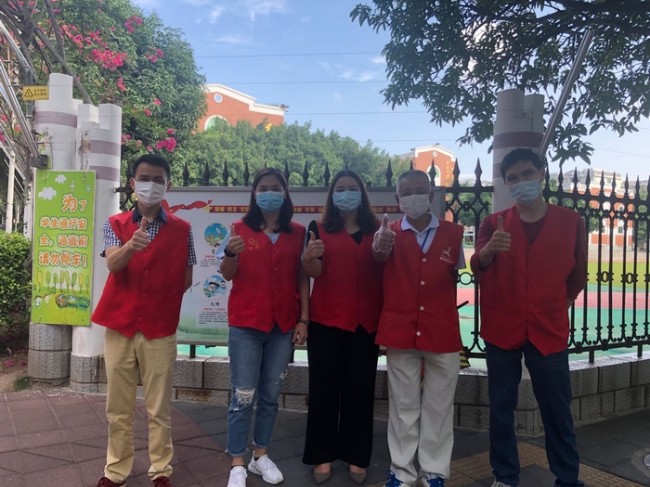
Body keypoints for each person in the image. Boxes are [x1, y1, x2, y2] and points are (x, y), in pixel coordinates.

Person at [470, 148, 587, 487]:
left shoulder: (571, 222)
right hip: (502, 329)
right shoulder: (493, 223)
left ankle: (568, 479)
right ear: (507, 184)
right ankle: (505, 476)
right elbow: (477, 266)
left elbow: (578, 274)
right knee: (500, 410)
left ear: (541, 174)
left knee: (557, 410)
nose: (521, 182)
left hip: (548, 331)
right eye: (513, 178)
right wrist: (489, 250)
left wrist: (558, 304)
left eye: (527, 174)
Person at [92, 154, 196, 487]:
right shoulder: (114, 224)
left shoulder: (183, 230)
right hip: (120, 324)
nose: (151, 185)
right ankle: (115, 470)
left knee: (158, 406)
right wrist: (131, 247)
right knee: (118, 406)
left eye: (158, 179)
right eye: (145, 178)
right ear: (133, 184)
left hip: (159, 328)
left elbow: (187, 276)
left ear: (168, 185)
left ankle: (161, 470)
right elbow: (112, 263)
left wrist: (159, 301)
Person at [372, 170, 465, 487]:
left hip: (442, 331)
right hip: (400, 331)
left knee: (440, 406)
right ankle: (401, 471)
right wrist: (380, 246)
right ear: (397, 198)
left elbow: (452, 278)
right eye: (406, 192)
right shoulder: (387, 234)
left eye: (419, 190)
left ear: (431, 195)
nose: (413, 196)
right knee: (403, 406)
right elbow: (378, 256)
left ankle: (434, 471)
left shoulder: (453, 234)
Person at [221, 167, 309, 487]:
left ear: (285, 193)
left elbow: (302, 277)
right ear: (254, 194)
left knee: (270, 396)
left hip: (282, 325)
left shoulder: (298, 232)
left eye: (275, 187)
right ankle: (237, 461)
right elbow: (227, 273)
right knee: (243, 395)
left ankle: (260, 456)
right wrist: (230, 253)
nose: (269, 192)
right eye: (263, 187)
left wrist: (303, 319)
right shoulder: (239, 228)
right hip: (246, 324)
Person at [301, 170, 384, 485]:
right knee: (323, 391)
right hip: (327, 322)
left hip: (366, 324)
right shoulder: (318, 228)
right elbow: (314, 272)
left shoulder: (377, 229)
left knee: (360, 392)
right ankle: (322, 455)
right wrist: (308, 258)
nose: (346, 193)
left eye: (352, 188)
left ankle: (356, 456)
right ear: (332, 195)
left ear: (362, 193)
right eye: (340, 188)